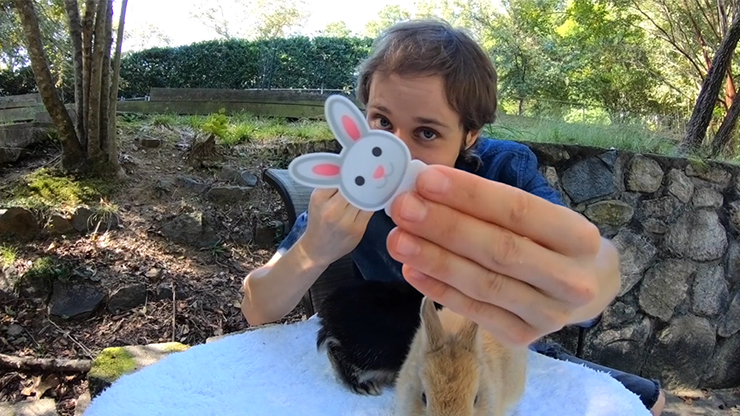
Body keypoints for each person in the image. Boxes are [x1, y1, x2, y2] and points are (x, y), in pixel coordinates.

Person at [240, 18, 665, 416]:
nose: (397, 151)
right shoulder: (351, 185)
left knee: (651, 399)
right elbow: (257, 307)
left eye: (426, 132)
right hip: (404, 354)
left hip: (500, 353)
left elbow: (583, 266)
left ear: (470, 135)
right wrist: (315, 247)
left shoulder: (504, 172)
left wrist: (593, 279)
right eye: (382, 121)